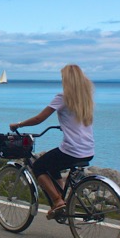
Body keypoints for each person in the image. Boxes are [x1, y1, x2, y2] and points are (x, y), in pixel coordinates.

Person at [10, 64, 95, 219]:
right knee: (53, 166)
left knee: (39, 166)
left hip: (72, 150)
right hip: (88, 150)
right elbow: (77, 122)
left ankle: (57, 201)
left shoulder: (62, 97)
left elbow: (39, 118)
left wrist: (18, 124)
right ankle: (62, 200)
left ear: (67, 80)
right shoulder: (85, 99)